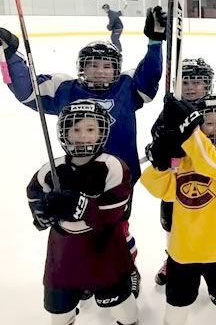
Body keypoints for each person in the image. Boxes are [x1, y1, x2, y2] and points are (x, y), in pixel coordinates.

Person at [1, 5, 167, 297]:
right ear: (82, 66)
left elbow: (149, 79)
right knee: (79, 228)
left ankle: (127, 269)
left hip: (119, 179)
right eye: (93, 65)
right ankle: (88, 272)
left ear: (116, 68)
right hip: (75, 177)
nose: (100, 71)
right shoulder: (65, 89)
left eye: (107, 66)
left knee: (116, 228)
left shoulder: (127, 87)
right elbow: (27, 91)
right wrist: (10, 54)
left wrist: (155, 43)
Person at [141, 94, 216, 325]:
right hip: (183, 249)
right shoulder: (186, 155)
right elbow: (161, 190)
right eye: (208, 123)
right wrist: (162, 162)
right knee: (177, 301)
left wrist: (190, 131)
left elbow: (212, 163)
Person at [27, 99, 138, 325]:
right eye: (75, 129)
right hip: (63, 253)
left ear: (102, 132)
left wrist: (79, 205)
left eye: (90, 129)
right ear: (64, 133)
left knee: (123, 310)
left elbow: (114, 212)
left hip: (105, 251)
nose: (82, 135)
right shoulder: (51, 169)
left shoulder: (113, 166)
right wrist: (43, 213)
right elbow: (34, 194)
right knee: (59, 312)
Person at [154, 57, 215, 286]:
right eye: (186, 82)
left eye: (198, 82)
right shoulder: (169, 111)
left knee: (210, 221)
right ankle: (173, 259)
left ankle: (213, 263)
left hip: (210, 178)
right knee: (171, 221)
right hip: (176, 179)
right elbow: (157, 141)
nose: (191, 87)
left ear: (208, 85)